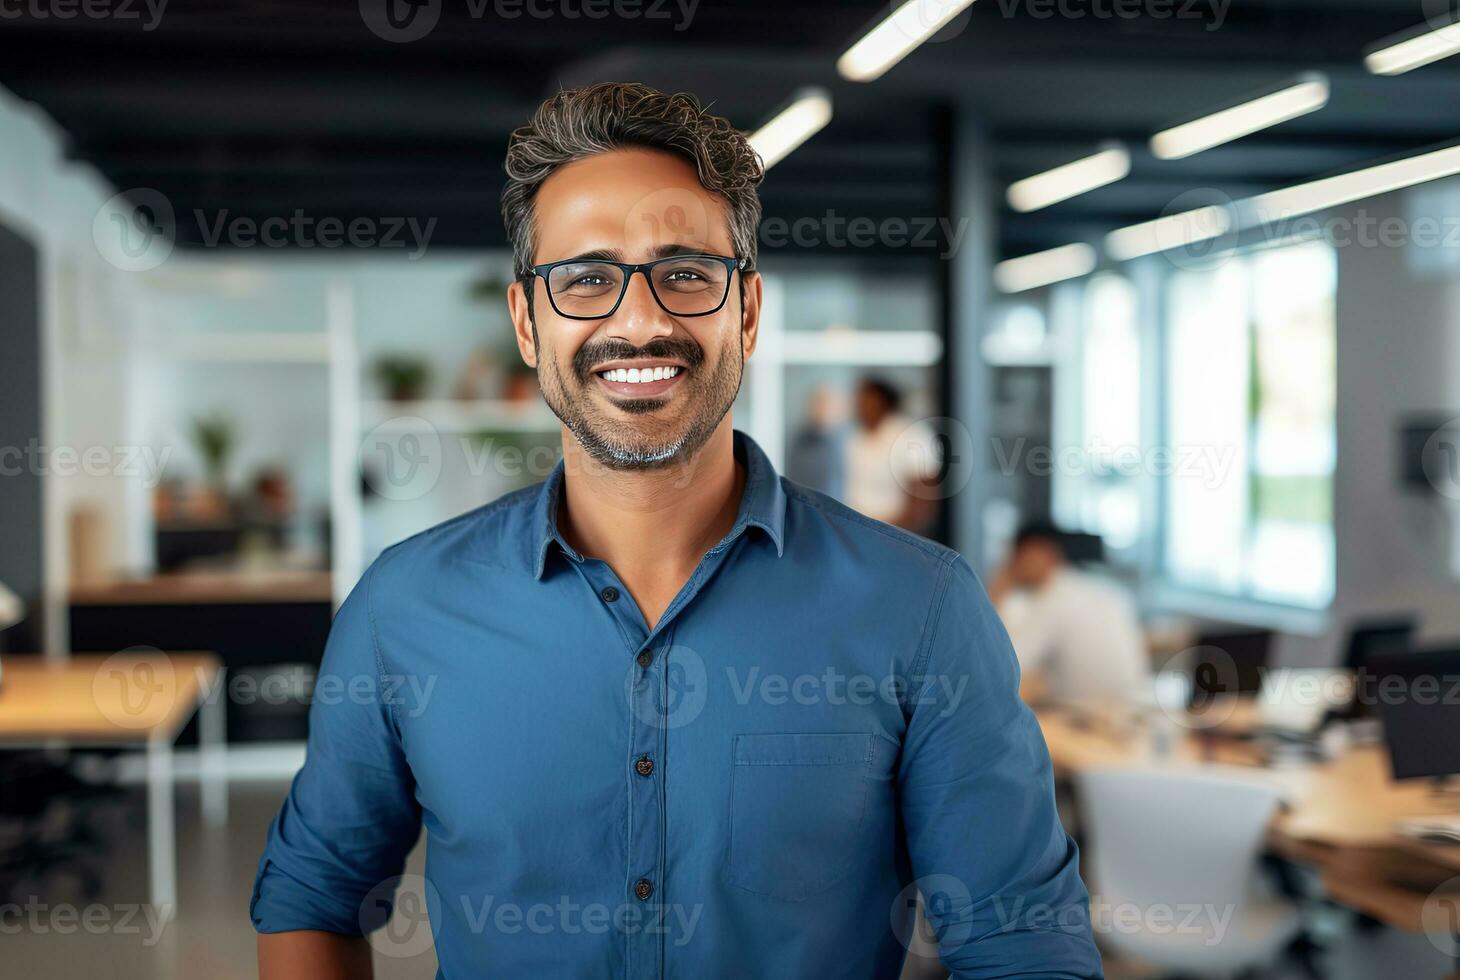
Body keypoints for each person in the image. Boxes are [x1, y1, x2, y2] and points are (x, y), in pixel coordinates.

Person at [252, 82, 1101, 980]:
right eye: (585, 278)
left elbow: (1020, 944)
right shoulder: (406, 607)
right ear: (527, 324)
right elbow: (315, 894)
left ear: (746, 310)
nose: (641, 318)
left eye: (686, 273)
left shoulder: (920, 607)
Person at [988, 521, 1150, 708]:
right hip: (1134, 709)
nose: (1012, 564)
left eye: (1015, 556)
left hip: (1087, 718)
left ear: (1037, 552)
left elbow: (1004, 665)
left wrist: (997, 590)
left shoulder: (1054, 600)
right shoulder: (1106, 592)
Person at [844, 376, 940, 533]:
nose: (860, 406)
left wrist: (899, 534)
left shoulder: (911, 434)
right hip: (858, 530)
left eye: (866, 400)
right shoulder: (855, 437)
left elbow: (924, 494)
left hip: (895, 532)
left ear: (883, 402)